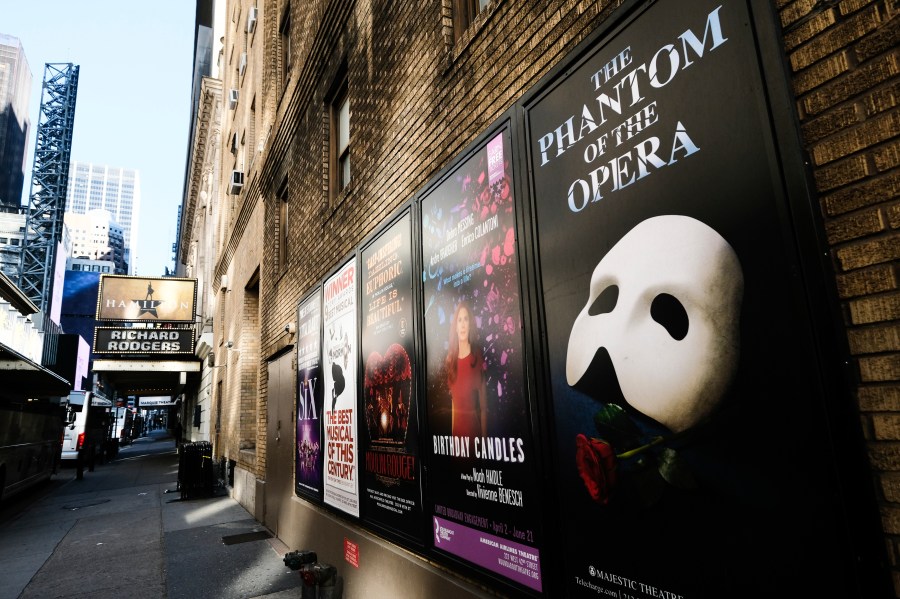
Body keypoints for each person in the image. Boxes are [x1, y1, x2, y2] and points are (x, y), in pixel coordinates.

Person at [445, 301, 488, 438]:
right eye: (459, 320)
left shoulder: (478, 358)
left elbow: (484, 409)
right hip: (457, 447)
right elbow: (453, 408)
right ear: (455, 327)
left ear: (470, 325)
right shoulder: (451, 362)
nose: (463, 324)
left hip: (474, 443)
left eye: (466, 319)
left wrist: (485, 448)